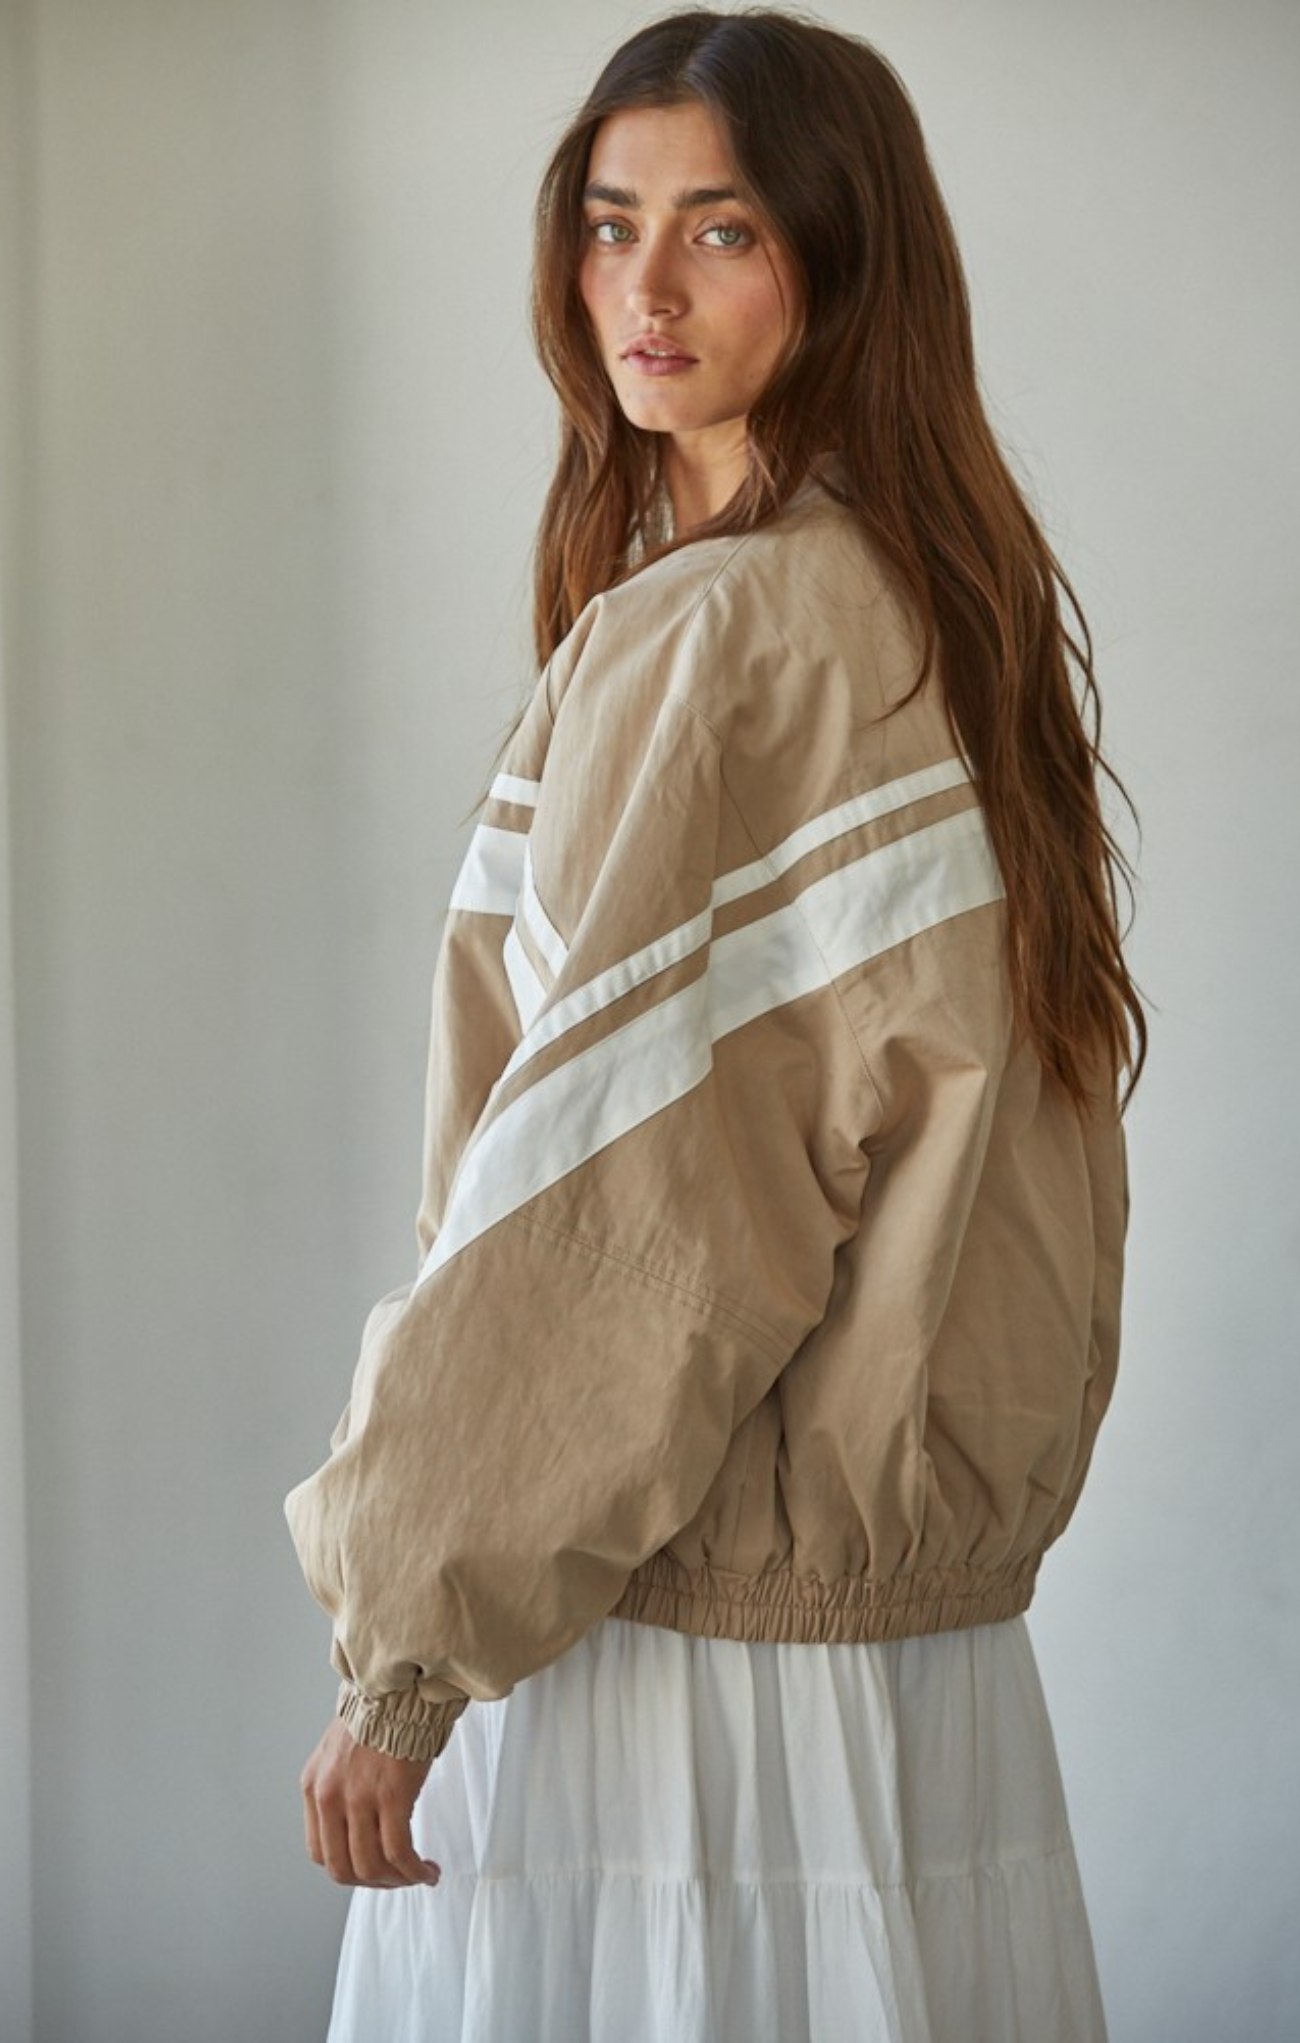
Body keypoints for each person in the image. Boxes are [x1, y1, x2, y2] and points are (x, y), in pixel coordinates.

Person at [285, 10, 1145, 2040]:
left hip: (672, 1668)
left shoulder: (723, 633)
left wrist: (414, 1645)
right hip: (905, 1680)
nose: (638, 291)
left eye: (721, 230)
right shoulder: (948, 615)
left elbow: (637, 1203)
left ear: (838, 263)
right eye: (605, 225)